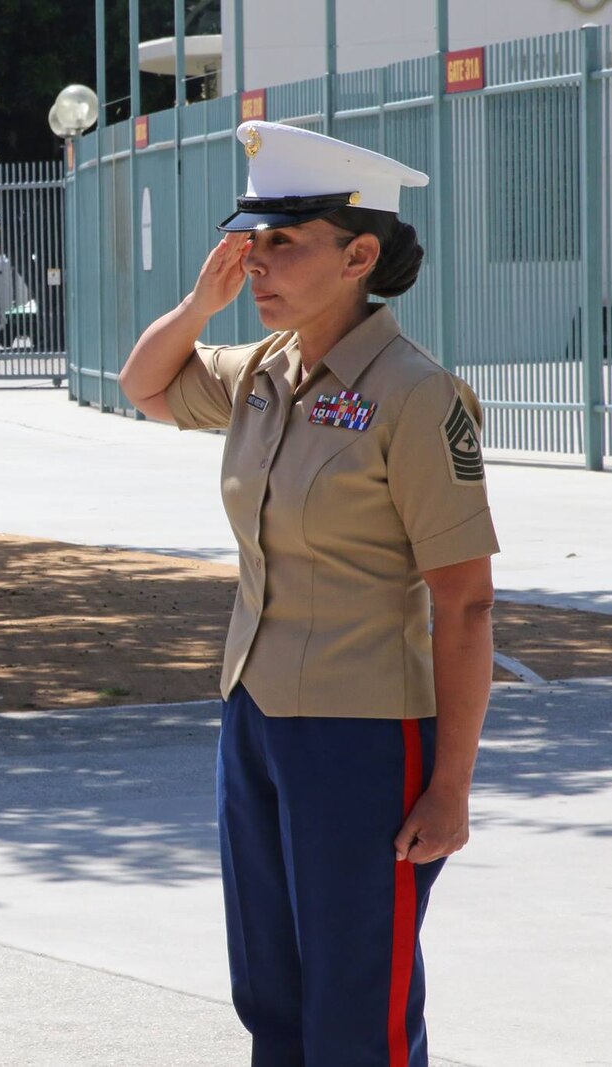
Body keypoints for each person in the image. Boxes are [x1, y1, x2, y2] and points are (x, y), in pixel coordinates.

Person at [118, 121, 499, 1067]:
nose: (256, 264)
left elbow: (465, 604)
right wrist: (198, 301)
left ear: (359, 254)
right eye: (250, 243)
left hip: (363, 730)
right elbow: (145, 384)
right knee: (271, 990)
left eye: (283, 242)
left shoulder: (416, 398)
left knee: (354, 996)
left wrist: (448, 784)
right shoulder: (262, 375)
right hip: (253, 715)